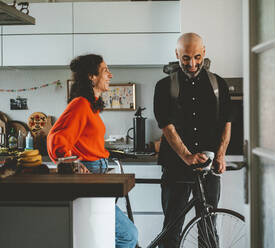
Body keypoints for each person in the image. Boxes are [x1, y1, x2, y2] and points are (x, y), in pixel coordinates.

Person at [47, 54, 138, 248]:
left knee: (101, 233)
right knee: (128, 235)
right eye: (105, 70)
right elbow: (56, 139)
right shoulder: (80, 104)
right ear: (91, 76)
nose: (110, 75)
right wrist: (75, 164)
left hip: (97, 171)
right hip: (89, 174)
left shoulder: (90, 105)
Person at [153, 33, 232, 247]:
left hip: (208, 166)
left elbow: (226, 122)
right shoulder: (163, 86)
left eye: (197, 57)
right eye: (186, 58)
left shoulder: (218, 85)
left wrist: (221, 155)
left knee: (208, 229)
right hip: (175, 167)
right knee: (172, 229)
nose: (192, 63)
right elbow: (167, 126)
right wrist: (186, 156)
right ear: (177, 54)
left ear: (204, 52)